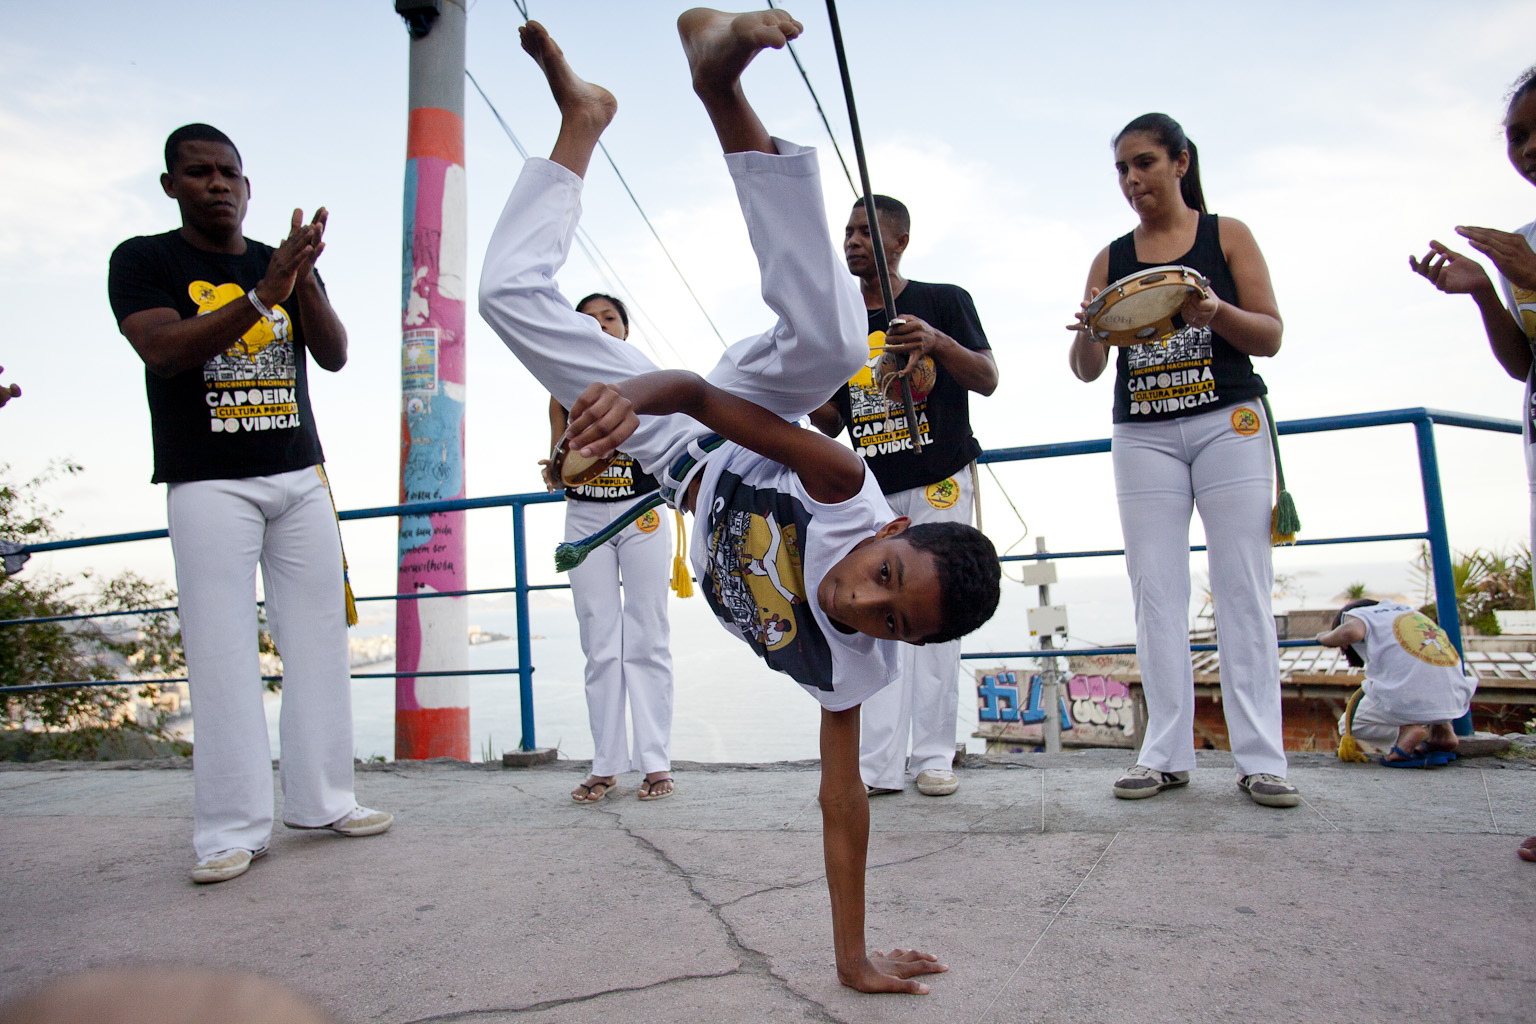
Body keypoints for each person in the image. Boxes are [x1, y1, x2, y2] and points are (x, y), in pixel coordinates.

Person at [478, 11, 999, 993]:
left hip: (674, 460)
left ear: (906, 646)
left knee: (505, 296)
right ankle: (721, 89)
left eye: (892, 621)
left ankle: (581, 120)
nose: (858, 603)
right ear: (889, 531)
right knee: (834, 338)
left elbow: (842, 801)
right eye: (883, 578)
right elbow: (693, 391)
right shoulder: (844, 489)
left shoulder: (855, 662)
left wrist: (851, 957)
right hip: (719, 413)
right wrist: (626, 397)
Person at [108, 123, 391, 885]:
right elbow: (165, 351)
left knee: (321, 642)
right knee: (222, 653)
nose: (218, 183)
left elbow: (332, 355)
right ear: (172, 186)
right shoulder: (143, 260)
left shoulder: (280, 259)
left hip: (300, 474)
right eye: (199, 173)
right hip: (208, 480)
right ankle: (229, 832)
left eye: (229, 172)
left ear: (248, 184)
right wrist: (263, 296)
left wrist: (298, 285)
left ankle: (325, 800)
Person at [1067, 113, 1298, 808]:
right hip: (1144, 432)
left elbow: (1271, 335)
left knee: (1242, 591)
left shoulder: (1227, 234)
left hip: (1227, 419)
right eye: (1121, 170)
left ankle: (1261, 759)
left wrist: (1215, 312)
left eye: (1143, 163)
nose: (1132, 180)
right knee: (1155, 592)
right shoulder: (1111, 257)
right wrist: (1089, 331)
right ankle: (1165, 753)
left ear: (1181, 163)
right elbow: (1084, 369)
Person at [809, 196, 997, 798]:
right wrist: (804, 374)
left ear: (900, 240)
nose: (853, 241)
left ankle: (935, 754)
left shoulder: (944, 300)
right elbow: (831, 422)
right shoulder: (838, 320)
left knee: (934, 609)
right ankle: (878, 766)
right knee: (875, 620)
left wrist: (937, 342)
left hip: (941, 476)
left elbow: (988, 378)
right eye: (848, 231)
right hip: (873, 491)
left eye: (867, 231)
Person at [1407, 64, 1536, 860]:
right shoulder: (1524, 241)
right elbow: (1525, 363)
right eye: (1518, 135)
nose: (1526, 148)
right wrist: (1487, 291)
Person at [540, 293, 676, 804]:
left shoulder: (644, 379)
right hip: (585, 516)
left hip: (640, 510)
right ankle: (605, 764)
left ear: (624, 328)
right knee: (599, 639)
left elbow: (668, 443)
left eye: (609, 318)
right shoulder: (561, 388)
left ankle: (656, 761)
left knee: (648, 633)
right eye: (587, 319)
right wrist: (556, 467)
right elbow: (560, 464)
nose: (598, 325)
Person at [1315, 599, 1474, 765]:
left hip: (1408, 696)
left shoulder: (1361, 615)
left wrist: (1325, 637)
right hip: (1455, 695)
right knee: (1426, 681)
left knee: (1349, 724)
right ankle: (1443, 732)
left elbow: (1351, 633)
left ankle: (1408, 732)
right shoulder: (1410, 613)